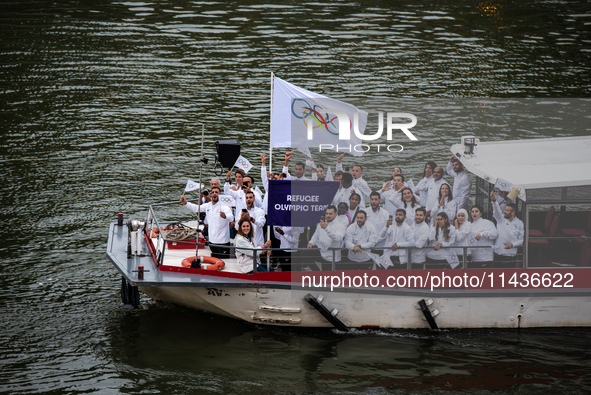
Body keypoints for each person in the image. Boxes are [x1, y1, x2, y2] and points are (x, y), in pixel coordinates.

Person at [180, 186, 234, 258]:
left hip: (223, 242)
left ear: (220, 195)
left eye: (216, 192)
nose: (214, 194)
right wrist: (186, 203)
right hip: (211, 241)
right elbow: (196, 208)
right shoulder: (207, 206)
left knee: (224, 262)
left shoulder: (225, 207)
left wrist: (225, 216)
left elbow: (231, 218)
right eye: (213, 192)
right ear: (211, 195)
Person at [490, 191, 524, 262]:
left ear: (513, 213)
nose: (504, 212)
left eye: (507, 211)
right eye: (505, 210)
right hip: (499, 254)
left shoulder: (519, 223)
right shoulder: (501, 219)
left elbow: (521, 240)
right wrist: (494, 201)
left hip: (511, 255)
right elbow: (497, 211)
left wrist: (512, 244)